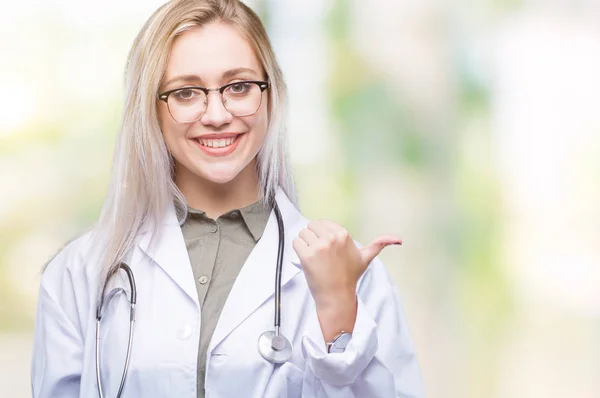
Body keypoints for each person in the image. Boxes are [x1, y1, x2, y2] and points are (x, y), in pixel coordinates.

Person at [30, 0, 424, 397]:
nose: (216, 114)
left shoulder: (352, 276)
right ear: (151, 108)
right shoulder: (81, 273)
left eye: (238, 87)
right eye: (186, 93)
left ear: (271, 96)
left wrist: (338, 315)